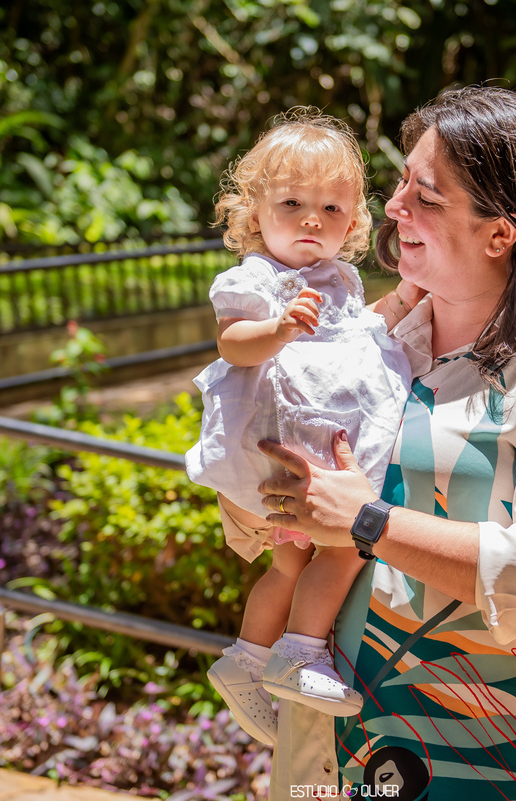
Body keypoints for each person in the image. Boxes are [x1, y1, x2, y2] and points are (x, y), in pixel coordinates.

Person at [255, 86, 516, 799]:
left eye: (426, 196)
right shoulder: (368, 346)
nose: (393, 207)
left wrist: (369, 521)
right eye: (401, 183)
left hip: (468, 747)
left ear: (500, 234)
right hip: (326, 748)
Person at [185, 110, 421, 748]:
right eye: (293, 203)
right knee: (344, 548)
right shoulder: (255, 278)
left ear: (353, 222)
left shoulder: (341, 279)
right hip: (288, 449)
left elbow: (359, 336)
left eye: (331, 207)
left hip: (313, 448)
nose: (313, 220)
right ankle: (301, 653)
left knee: (289, 563)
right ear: (254, 211)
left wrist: (403, 303)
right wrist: (280, 328)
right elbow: (233, 344)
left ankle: (245, 661)